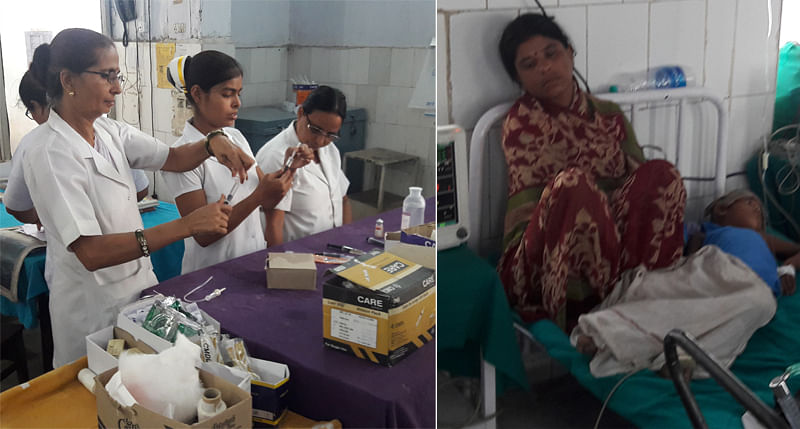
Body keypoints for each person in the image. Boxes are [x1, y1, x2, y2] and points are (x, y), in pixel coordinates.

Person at [20, 28, 254, 367]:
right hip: (91, 308)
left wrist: (210, 143)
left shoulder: (108, 130)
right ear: (68, 79)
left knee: (144, 389)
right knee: (98, 397)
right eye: (106, 76)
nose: (117, 87)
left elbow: (172, 158)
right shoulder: (50, 152)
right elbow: (91, 252)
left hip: (136, 292)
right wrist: (186, 225)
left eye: (118, 76)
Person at [496, 14, 686, 329]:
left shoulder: (609, 115)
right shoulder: (523, 122)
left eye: (551, 53)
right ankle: (595, 306)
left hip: (618, 247)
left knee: (661, 174)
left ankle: (642, 291)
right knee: (573, 186)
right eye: (529, 65)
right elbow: (557, 204)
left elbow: (639, 189)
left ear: (570, 52)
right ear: (519, 79)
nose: (544, 67)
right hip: (543, 258)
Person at [161, 51, 310, 274]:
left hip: (251, 263)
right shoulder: (181, 158)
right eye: (227, 94)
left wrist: (290, 168)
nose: (237, 103)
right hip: (210, 274)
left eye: (239, 94)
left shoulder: (236, 137)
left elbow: (267, 198)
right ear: (198, 94)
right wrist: (258, 196)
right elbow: (202, 235)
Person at [6, 46, 150, 226]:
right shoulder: (110, 130)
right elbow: (141, 188)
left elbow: (16, 206)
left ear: (36, 105)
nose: (116, 89)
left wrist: (47, 218)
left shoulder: (33, 143)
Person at [255, 85, 352, 246]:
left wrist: (346, 240)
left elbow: (343, 199)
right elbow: (272, 224)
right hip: (297, 257)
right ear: (301, 113)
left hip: (332, 249)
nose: (320, 141)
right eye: (315, 130)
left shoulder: (330, 149)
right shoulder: (276, 156)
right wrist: (280, 263)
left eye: (330, 135)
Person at [689, 189, 798, 296]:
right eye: (749, 202)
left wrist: (788, 267)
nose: (757, 209)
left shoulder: (761, 237)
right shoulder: (703, 234)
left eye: (761, 213)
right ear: (721, 209)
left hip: (758, 291)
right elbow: (689, 264)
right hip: (717, 279)